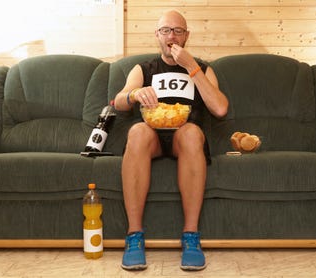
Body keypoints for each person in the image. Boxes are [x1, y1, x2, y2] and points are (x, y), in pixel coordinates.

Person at [114, 10, 228, 271]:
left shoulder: (203, 68)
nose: (172, 36)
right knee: (137, 131)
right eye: (166, 30)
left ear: (186, 36)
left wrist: (192, 67)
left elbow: (220, 109)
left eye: (178, 31)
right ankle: (134, 237)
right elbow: (119, 100)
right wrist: (133, 94)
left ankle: (190, 237)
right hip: (152, 134)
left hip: (186, 138)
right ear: (157, 35)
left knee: (189, 132)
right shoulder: (143, 68)